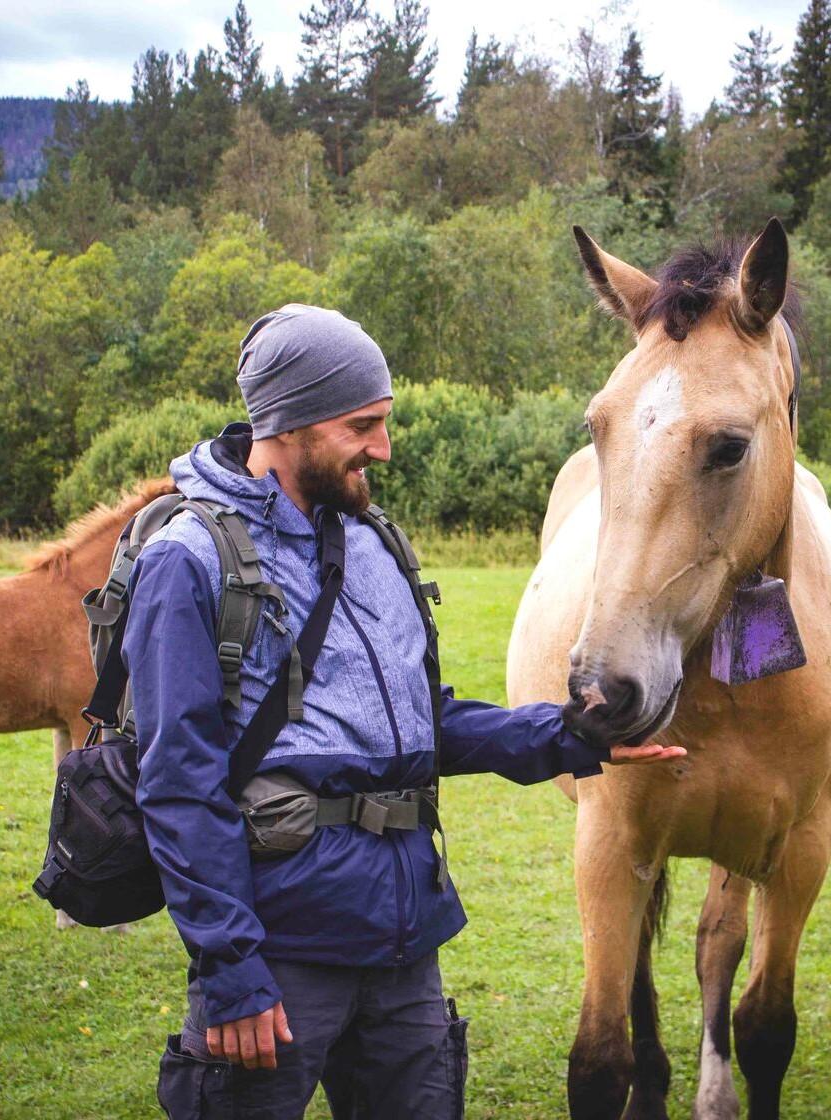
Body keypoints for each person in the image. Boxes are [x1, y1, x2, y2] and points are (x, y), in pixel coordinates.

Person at [123, 304, 685, 1119]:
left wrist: (565, 736)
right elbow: (177, 781)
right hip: (278, 958)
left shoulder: (371, 539)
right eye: (364, 424)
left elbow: (427, 721)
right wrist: (231, 968)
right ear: (288, 422)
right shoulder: (188, 560)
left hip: (404, 945)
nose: (383, 448)